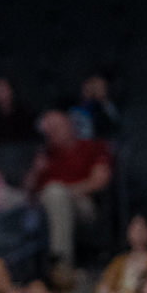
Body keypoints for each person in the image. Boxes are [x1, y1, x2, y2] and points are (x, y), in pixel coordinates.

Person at [25, 110, 112, 273]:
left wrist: (65, 192)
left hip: (84, 204)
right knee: (51, 195)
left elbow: (101, 180)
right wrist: (36, 171)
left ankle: (61, 264)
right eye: (48, 131)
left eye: (56, 127)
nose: (52, 133)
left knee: (55, 192)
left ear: (69, 124)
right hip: (48, 207)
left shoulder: (91, 147)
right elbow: (28, 194)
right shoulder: (45, 156)